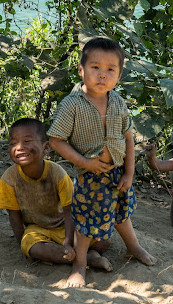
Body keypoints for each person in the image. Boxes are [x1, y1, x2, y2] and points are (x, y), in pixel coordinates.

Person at [48, 37, 155, 288]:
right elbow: (56, 140)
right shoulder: (72, 104)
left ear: (119, 74)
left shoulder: (117, 101)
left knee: (121, 214)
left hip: (117, 171)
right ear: (81, 69)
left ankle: (133, 247)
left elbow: (128, 137)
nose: (102, 75)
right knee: (85, 224)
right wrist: (85, 162)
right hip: (90, 176)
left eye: (110, 69)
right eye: (95, 67)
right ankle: (79, 266)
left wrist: (129, 173)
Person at [0, 118, 111, 270]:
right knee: (31, 247)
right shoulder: (9, 178)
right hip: (38, 229)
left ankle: (74, 254)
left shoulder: (57, 173)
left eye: (27, 141)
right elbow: (14, 215)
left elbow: (70, 211)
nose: (19, 147)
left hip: (67, 225)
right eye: (13, 143)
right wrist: (22, 244)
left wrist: (68, 242)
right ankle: (88, 258)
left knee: (105, 240)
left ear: (46, 147)